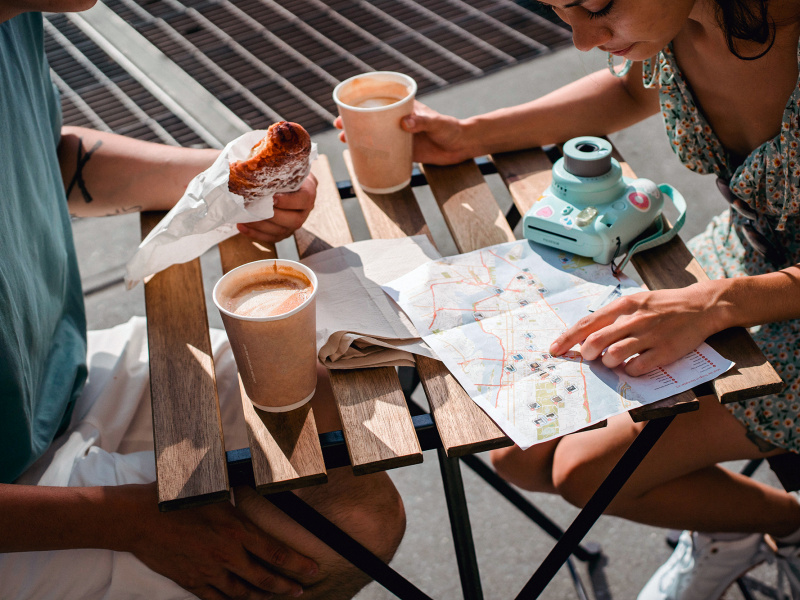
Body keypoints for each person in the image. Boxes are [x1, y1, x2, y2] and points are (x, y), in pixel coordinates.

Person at [336, 0, 800, 597]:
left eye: (599, 6)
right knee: (519, 454)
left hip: (749, 297)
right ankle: (728, 529)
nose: (582, 39)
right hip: (744, 265)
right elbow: (632, 93)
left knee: (587, 473)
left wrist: (716, 305)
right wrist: (468, 136)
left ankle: (786, 524)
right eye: (560, 10)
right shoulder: (681, 19)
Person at [0, 2, 405, 599]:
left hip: (62, 378)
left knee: (338, 407)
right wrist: (124, 517)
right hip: (21, 502)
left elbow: (45, 152)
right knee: (347, 527)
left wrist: (222, 183)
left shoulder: (20, 15)